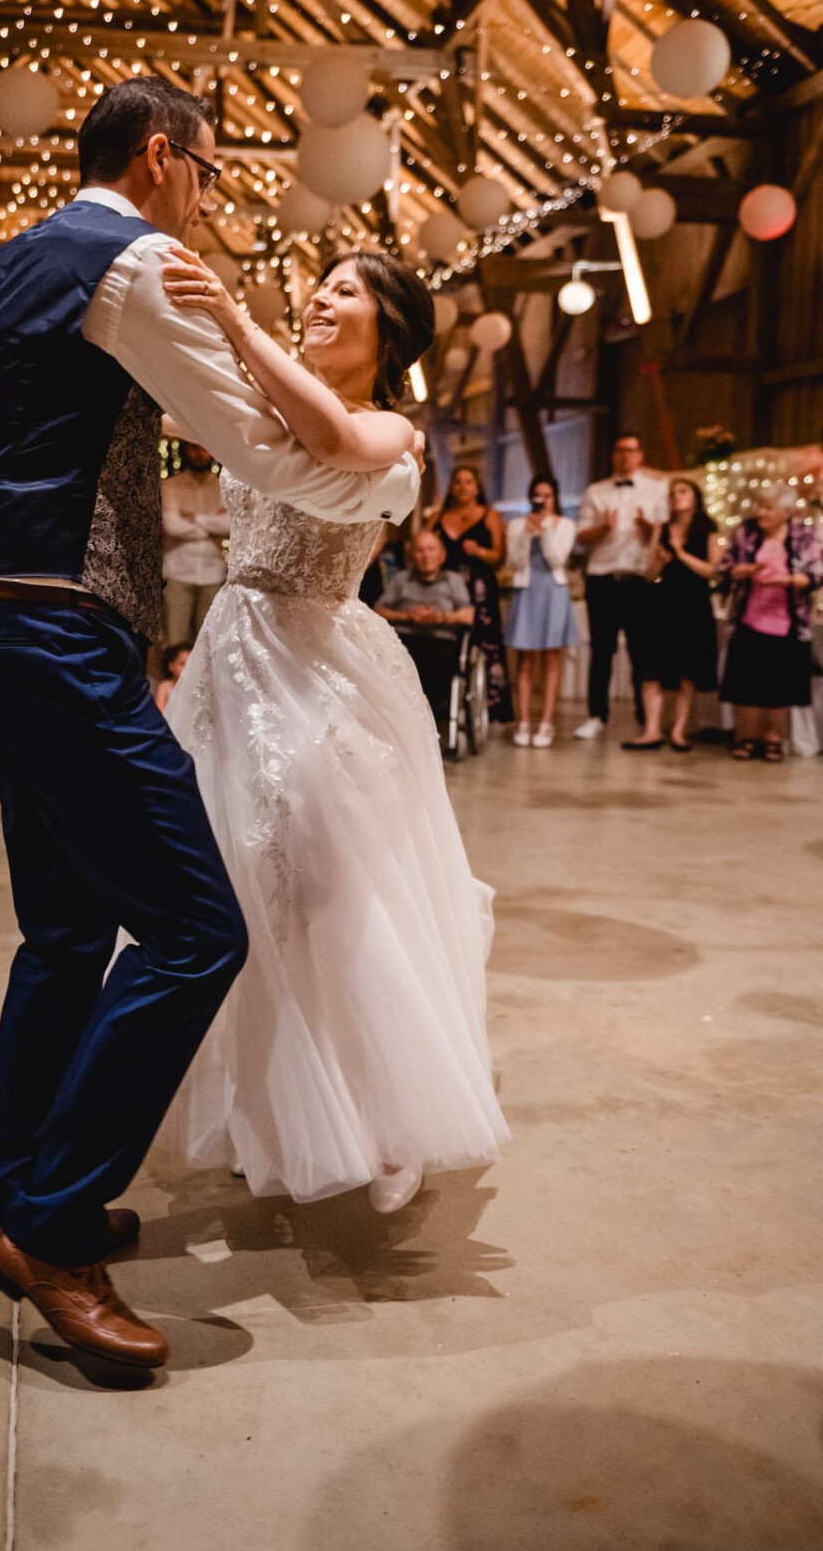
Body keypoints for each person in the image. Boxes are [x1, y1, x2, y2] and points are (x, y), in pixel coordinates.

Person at [0, 74, 418, 1369]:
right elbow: (258, 455)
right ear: (163, 160)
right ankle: (50, 1227)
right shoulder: (138, 262)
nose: (209, 197)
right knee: (199, 931)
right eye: (208, 171)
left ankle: (4, 1199)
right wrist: (382, 456)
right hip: (61, 635)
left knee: (64, 930)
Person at [158, 243, 508, 1215]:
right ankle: (276, 1114)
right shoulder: (274, 404)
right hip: (232, 655)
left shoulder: (393, 426)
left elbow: (335, 440)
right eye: (324, 282)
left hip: (318, 660)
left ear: (388, 328)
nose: (320, 295)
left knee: (330, 890)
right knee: (236, 890)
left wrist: (234, 319)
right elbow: (182, 405)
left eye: (344, 289)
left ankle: (392, 1114)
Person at [574, 432, 669, 739]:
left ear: (640, 455)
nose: (625, 456)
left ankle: (646, 718)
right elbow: (581, 536)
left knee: (641, 651)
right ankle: (596, 715)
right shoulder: (596, 491)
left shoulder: (657, 489)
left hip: (640, 580)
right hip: (603, 577)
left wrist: (648, 529)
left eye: (631, 450)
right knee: (601, 650)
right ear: (613, 455)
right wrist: (604, 528)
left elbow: (665, 535)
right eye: (620, 450)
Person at [719, 487, 822, 762]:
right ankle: (746, 738)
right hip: (748, 618)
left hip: (788, 622)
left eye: (769, 508)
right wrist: (743, 571)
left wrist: (786, 580)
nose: (761, 513)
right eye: (760, 506)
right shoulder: (745, 532)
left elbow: (815, 574)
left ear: (786, 512)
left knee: (780, 686)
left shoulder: (804, 535)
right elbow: (726, 566)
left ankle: (773, 740)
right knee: (747, 684)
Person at [624, 477, 722, 753]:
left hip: (692, 605)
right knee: (652, 667)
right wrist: (662, 560)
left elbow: (714, 571)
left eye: (682, 492)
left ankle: (679, 730)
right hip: (661, 604)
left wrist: (680, 552)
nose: (676, 497)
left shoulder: (707, 529)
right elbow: (649, 574)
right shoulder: (662, 528)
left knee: (686, 671)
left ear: (695, 497)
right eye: (672, 493)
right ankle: (651, 729)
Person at [431, 464, 513, 723]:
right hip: (446, 591)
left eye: (468, 481)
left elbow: (500, 558)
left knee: (484, 643)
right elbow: (420, 547)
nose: (463, 486)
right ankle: (443, 700)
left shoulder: (490, 516)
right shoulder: (438, 516)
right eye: (458, 482)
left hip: (479, 591)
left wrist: (479, 551)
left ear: (477, 487)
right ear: (451, 487)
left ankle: (489, 705)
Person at [504, 475, 579, 748]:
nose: (542, 500)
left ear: (554, 497)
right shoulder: (515, 525)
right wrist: (527, 532)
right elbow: (515, 561)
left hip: (553, 592)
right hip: (528, 589)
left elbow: (558, 558)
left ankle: (546, 721)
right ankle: (523, 719)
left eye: (547, 495)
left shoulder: (566, 525)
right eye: (538, 494)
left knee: (552, 657)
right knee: (525, 658)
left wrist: (545, 530)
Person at [375, 527, 474, 724]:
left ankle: (429, 721)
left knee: (438, 663)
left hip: (440, 641)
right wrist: (408, 616)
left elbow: (468, 616)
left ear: (442, 555)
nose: (425, 555)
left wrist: (438, 618)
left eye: (431, 549)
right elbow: (378, 610)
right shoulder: (402, 578)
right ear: (413, 555)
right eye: (420, 550)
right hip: (404, 640)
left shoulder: (453, 580)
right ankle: (398, 721)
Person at [161, 441, 230, 644]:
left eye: (204, 447)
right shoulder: (171, 485)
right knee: (175, 642)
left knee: (209, 642)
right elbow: (172, 525)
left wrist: (194, 519)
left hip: (213, 573)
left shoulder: (222, 486)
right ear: (185, 450)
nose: (200, 454)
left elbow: (230, 526)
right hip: (177, 573)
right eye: (194, 448)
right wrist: (212, 524)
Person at [155, 641, 191, 712]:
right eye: (183, 664)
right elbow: (159, 711)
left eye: (191, 664)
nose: (187, 668)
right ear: (171, 666)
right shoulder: (165, 686)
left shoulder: (194, 686)